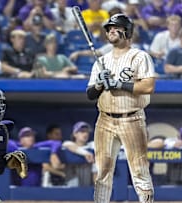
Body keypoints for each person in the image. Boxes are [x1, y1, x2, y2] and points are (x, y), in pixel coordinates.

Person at [86, 14, 155, 203]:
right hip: (105, 120)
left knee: (139, 170)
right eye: (109, 29)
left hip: (131, 119)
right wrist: (100, 84)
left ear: (127, 31)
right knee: (102, 171)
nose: (111, 31)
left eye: (116, 28)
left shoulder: (140, 57)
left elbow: (148, 86)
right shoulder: (102, 61)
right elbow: (90, 94)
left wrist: (119, 84)